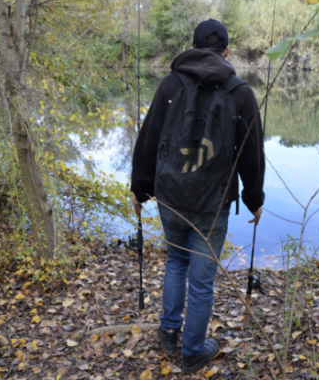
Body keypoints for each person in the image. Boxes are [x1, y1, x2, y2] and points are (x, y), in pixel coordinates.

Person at [130, 19, 265, 375]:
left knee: (176, 261)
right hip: (212, 202)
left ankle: (169, 332)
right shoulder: (241, 93)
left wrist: (139, 188)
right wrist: (255, 199)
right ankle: (193, 352)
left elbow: (148, 139)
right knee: (202, 280)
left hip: (170, 195)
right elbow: (251, 154)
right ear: (226, 51)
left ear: (191, 47)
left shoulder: (170, 83)